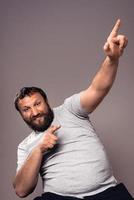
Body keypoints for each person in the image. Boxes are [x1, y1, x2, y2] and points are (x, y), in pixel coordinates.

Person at [13, 19, 132, 200]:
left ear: (46, 102)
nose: (35, 112)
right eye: (26, 109)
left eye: (37, 104)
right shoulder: (25, 147)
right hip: (59, 197)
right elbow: (21, 190)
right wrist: (38, 150)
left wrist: (112, 59)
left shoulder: (70, 109)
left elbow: (97, 89)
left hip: (107, 194)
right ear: (21, 115)